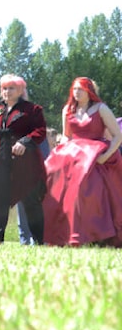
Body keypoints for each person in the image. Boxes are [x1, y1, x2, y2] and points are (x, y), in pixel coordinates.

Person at [43, 77, 122, 246]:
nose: (76, 92)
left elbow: (117, 136)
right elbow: (66, 136)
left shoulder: (101, 109)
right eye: (74, 89)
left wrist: (105, 156)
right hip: (73, 153)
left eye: (81, 89)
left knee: (84, 189)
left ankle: (91, 234)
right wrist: (58, 153)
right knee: (51, 178)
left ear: (90, 91)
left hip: (95, 154)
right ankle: (62, 234)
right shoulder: (68, 110)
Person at [0, 74, 46, 245]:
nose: (7, 91)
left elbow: (40, 131)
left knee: (30, 200)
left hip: (24, 164)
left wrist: (25, 141)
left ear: (20, 90)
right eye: (4, 88)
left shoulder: (33, 110)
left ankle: (39, 241)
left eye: (11, 88)